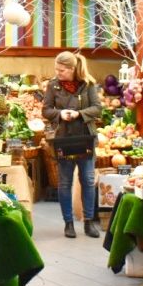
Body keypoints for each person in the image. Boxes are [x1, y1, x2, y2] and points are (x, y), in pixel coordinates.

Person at [42, 51, 102, 239]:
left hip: (85, 138)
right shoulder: (53, 86)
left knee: (88, 180)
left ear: (72, 69)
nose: (58, 73)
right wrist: (60, 114)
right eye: (56, 70)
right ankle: (68, 223)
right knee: (65, 181)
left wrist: (80, 114)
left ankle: (89, 222)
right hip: (64, 138)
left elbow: (98, 108)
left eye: (62, 70)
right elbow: (46, 110)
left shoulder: (88, 85)